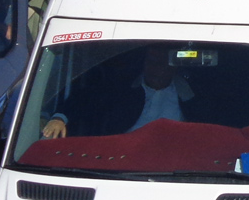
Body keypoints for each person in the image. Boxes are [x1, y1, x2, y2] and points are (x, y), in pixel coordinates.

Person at [41, 45, 194, 138]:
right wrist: (59, 119)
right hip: (123, 161)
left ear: (174, 65)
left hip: (175, 166)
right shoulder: (120, 89)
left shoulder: (193, 95)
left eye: (163, 63)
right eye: (152, 61)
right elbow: (84, 99)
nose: (157, 68)